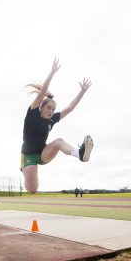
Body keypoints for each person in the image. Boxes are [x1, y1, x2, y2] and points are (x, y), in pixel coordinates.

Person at [21, 57, 93, 194]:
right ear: (41, 107)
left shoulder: (52, 119)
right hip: (28, 155)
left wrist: (82, 91)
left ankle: (80, 154)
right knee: (32, 190)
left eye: (53, 109)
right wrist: (52, 73)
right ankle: (24, 171)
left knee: (59, 141)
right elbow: (42, 92)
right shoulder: (32, 113)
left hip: (43, 153)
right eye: (48, 108)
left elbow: (70, 107)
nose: (51, 111)